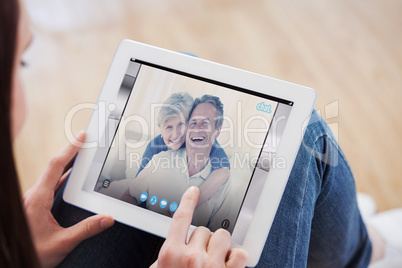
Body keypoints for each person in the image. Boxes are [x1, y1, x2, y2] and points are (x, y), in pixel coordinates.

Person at [0, 0, 248, 267]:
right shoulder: (158, 151)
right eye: (21, 63)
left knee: (186, 61)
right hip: (154, 199)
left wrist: (16, 253)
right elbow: (136, 187)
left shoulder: (214, 161)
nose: (181, 132)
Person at [122, 95, 230, 229]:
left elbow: (223, 172)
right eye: (168, 127)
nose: (175, 135)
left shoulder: (208, 143)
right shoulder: (155, 148)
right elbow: (136, 192)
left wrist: (183, 208)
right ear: (161, 130)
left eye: (181, 125)